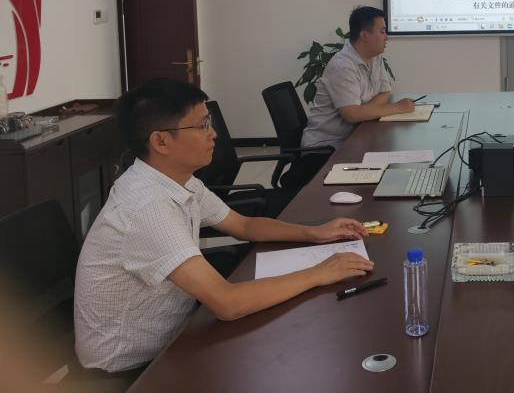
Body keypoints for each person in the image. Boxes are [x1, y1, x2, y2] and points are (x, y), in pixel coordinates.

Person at [74, 78, 374, 379]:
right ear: (161, 142)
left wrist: (314, 232)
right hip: (130, 371)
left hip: (178, 335)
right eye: (202, 125)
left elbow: (244, 225)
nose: (214, 133)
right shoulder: (147, 207)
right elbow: (227, 303)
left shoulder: (178, 180)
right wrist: (319, 273)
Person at [301, 5, 414, 149]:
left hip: (357, 135)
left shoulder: (375, 57)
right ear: (364, 35)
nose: (386, 37)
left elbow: (385, 92)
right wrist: (397, 107)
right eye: (382, 31)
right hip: (326, 147)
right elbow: (352, 115)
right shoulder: (342, 66)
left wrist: (364, 112)